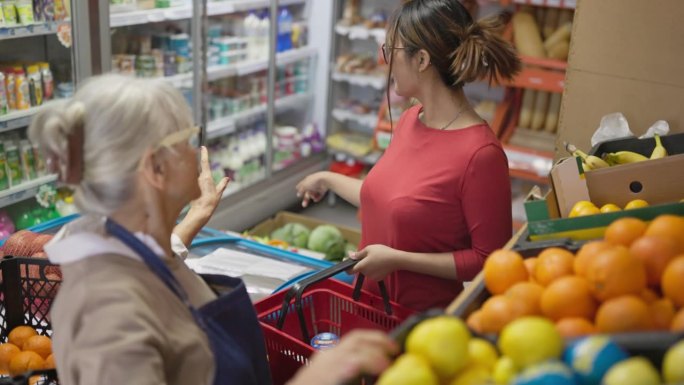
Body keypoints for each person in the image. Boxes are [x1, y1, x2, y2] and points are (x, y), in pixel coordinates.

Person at [30, 74, 397, 385]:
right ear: (155, 169)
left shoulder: (141, 248)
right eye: (187, 140)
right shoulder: (105, 316)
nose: (198, 151)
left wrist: (194, 216)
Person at [297, 0, 520, 312]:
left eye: (391, 50)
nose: (384, 60)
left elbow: (490, 259)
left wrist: (397, 260)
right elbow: (392, 202)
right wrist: (326, 178)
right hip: (367, 305)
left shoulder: (481, 155)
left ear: (422, 59)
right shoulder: (410, 119)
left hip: (417, 323)